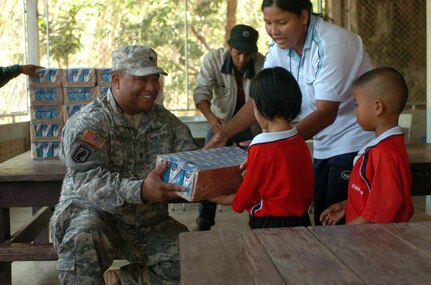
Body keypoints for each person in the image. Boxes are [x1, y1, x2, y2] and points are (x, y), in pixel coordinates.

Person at [205, 0, 374, 225]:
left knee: (339, 227)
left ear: (303, 16)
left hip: (352, 141)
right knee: (324, 219)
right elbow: (260, 98)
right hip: (321, 142)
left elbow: (326, 113)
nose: (273, 31)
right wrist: (224, 135)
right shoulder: (280, 48)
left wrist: (270, 145)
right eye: (267, 22)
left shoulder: (332, 44)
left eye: (281, 22)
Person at [50, 45, 199, 284]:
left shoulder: (167, 123)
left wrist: (216, 182)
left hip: (146, 222)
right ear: (117, 80)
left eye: (155, 79)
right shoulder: (90, 123)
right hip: (95, 215)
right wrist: (140, 190)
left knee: (193, 260)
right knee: (82, 239)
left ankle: (122, 280)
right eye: (142, 79)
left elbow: (192, 162)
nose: (151, 87)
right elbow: (87, 180)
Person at [211, 67, 313, 228]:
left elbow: (249, 189)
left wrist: (224, 200)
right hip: (301, 219)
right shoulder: (300, 142)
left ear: (260, 107)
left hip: (270, 222)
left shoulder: (260, 146)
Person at [319, 67, 414, 225]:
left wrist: (347, 231)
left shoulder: (384, 153)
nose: (355, 112)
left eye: (357, 105)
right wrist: (347, 205)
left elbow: (380, 215)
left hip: (376, 243)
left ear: (378, 107)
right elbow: (374, 195)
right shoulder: (386, 146)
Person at [192, 24, 265, 231]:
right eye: (238, 53)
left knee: (253, 173)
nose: (242, 59)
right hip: (219, 125)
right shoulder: (213, 59)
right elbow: (201, 93)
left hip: (251, 127)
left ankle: (256, 219)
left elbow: (262, 101)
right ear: (229, 47)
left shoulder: (263, 63)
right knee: (208, 173)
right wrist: (211, 118)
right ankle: (204, 222)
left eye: (248, 54)